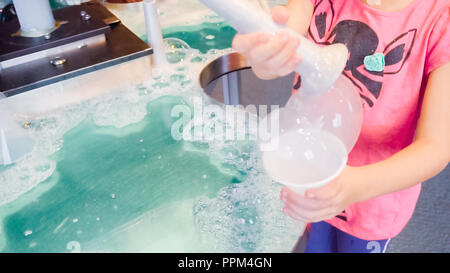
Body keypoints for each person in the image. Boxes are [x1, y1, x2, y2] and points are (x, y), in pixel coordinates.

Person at [233, 0, 450, 253]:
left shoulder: (440, 22)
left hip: (372, 202)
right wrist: (268, 55)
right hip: (311, 178)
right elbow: (285, 35)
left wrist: (354, 186)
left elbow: (437, 146)